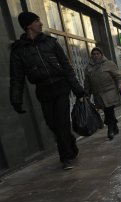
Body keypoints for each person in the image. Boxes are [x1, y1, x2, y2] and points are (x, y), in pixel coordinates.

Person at [9, 12, 85, 170]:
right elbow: (17, 77)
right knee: (52, 124)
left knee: (62, 122)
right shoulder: (19, 50)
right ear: (28, 25)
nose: (41, 24)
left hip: (61, 86)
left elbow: (67, 67)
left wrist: (77, 88)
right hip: (43, 90)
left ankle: (66, 158)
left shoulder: (51, 42)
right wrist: (16, 99)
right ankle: (70, 142)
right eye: (37, 21)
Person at [84, 47, 121, 140]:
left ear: (101, 54)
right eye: (94, 54)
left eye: (98, 53)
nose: (96, 55)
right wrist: (87, 95)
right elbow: (87, 83)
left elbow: (118, 76)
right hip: (98, 93)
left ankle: (110, 130)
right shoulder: (88, 68)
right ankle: (115, 126)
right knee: (107, 111)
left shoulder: (109, 64)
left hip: (110, 91)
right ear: (91, 56)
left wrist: (120, 85)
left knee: (109, 110)